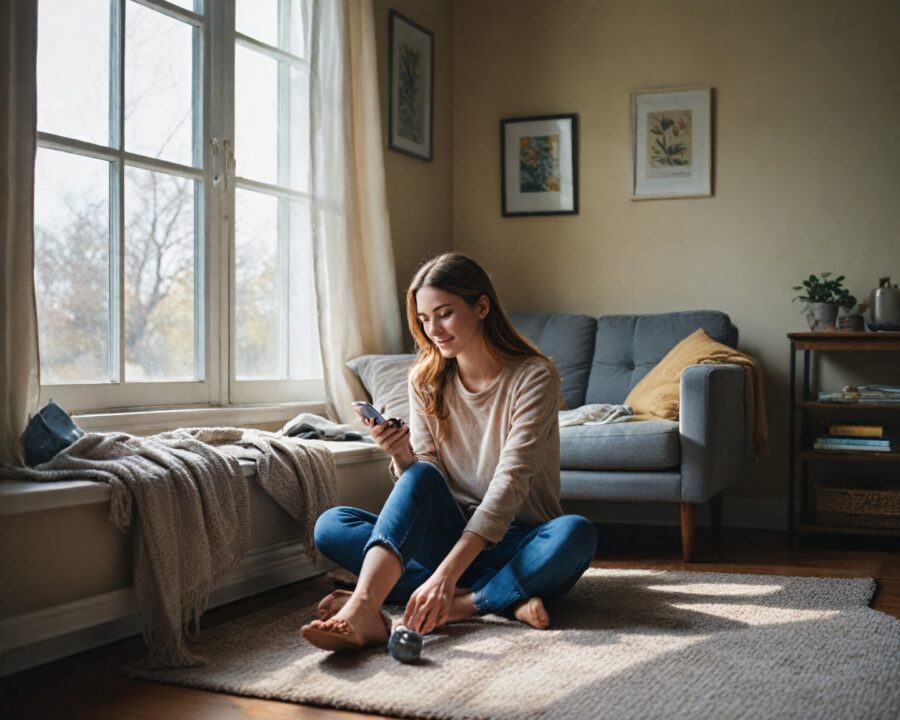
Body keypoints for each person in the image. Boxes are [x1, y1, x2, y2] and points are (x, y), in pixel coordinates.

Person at [300, 252, 597, 652]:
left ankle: (460, 604)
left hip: (517, 536)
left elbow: (510, 481)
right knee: (332, 525)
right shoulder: (424, 379)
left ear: (482, 306)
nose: (433, 330)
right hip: (449, 530)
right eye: (424, 319)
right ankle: (379, 606)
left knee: (575, 534)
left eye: (444, 314)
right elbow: (426, 478)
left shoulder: (534, 376)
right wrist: (402, 455)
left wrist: (445, 575)